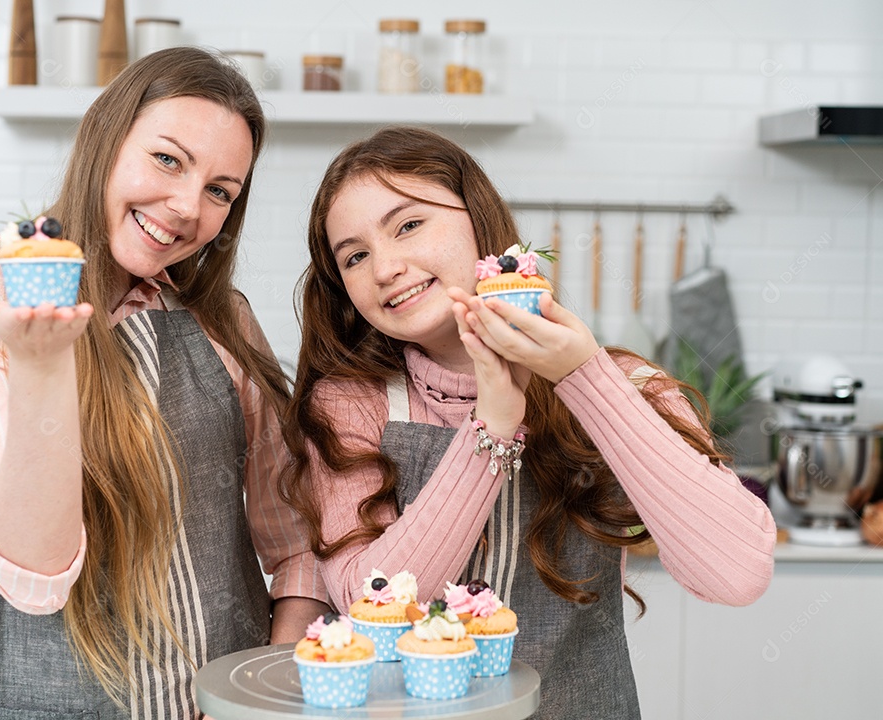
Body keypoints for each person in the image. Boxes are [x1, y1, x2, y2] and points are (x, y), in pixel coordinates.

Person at [280, 126, 776, 719]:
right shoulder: (350, 405)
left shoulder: (623, 383)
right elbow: (370, 603)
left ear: (479, 222)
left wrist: (584, 378)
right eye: (355, 256)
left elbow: (736, 575)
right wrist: (491, 426)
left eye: (408, 225)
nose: (384, 267)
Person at [0, 47, 329, 719]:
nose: (187, 207)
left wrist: (267, 685)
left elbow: (298, 541)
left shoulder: (223, 318)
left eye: (220, 191)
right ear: (104, 137)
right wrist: (43, 367)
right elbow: (32, 572)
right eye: (167, 159)